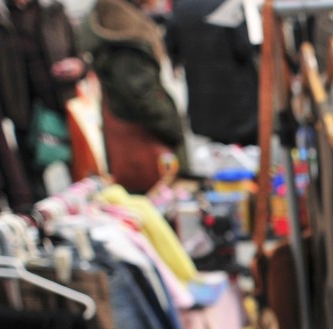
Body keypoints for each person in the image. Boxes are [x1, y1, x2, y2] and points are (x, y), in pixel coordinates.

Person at [82, 0, 186, 192]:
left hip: (131, 137)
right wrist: (173, 128)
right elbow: (142, 97)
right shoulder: (125, 33)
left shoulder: (110, 19)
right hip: (144, 140)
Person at [0, 0, 84, 203]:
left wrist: (78, 67)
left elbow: (80, 55)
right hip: (22, 111)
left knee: (80, 173)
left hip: (61, 104)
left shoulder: (53, 10)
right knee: (33, 182)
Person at [166, 0, 259, 146]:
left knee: (218, 156)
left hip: (203, 103)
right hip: (237, 101)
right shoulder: (229, 4)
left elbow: (173, 48)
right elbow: (244, 47)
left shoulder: (181, 8)